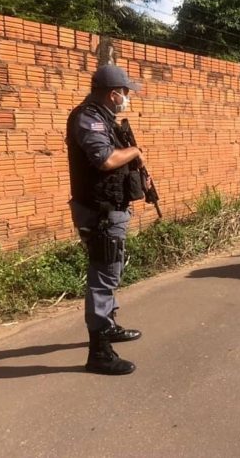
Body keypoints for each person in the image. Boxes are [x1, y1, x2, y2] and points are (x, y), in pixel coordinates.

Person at [66, 64, 148, 375]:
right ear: (113, 94)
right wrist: (135, 150)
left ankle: (109, 325)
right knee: (102, 277)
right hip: (99, 212)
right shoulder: (88, 118)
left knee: (111, 270)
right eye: (126, 93)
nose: (128, 98)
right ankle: (99, 352)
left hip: (110, 207)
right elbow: (105, 160)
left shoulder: (103, 118)